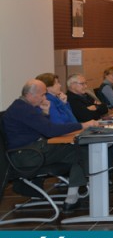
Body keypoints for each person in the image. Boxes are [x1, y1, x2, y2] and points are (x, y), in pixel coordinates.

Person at [2, 79, 98, 212]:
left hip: (30, 151)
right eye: (42, 95)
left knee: (76, 150)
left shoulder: (22, 106)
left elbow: (42, 128)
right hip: (28, 155)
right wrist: (82, 125)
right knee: (80, 150)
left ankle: (73, 193)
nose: (44, 98)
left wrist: (45, 112)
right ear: (30, 95)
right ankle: (72, 197)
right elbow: (50, 130)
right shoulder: (23, 109)